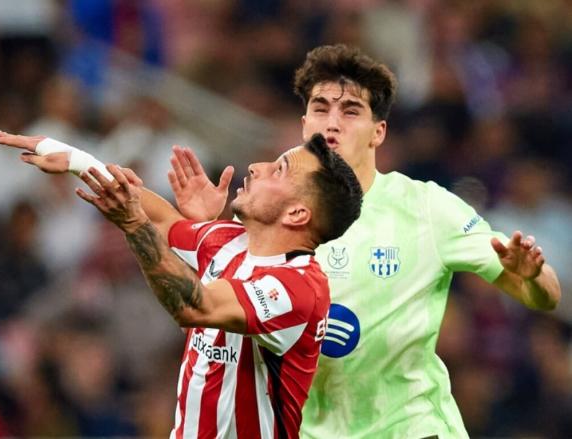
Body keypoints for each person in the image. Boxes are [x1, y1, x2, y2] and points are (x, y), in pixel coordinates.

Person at [164, 44, 562, 438]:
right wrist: (202, 225)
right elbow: (208, 310)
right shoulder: (268, 212)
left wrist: (532, 276)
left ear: (379, 132)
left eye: (351, 111)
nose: (332, 123)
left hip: (412, 428)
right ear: (304, 123)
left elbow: (544, 297)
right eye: (320, 108)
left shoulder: (425, 207)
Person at [0, 129, 363, 438]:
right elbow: (163, 222)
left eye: (279, 170)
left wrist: (133, 225)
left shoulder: (299, 289)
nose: (257, 166)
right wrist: (78, 161)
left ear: (298, 213)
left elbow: (195, 306)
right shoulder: (228, 241)